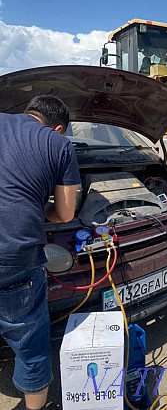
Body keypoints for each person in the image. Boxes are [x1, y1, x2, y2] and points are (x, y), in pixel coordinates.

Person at [0, 95, 81, 410]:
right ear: (58, 127)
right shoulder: (59, 145)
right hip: (15, 258)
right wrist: (36, 206)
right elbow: (64, 214)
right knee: (31, 348)